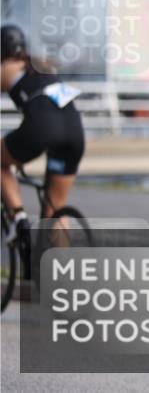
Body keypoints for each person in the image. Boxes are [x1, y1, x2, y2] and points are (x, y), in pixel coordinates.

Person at [1, 24, 85, 243]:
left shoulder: (5, 66)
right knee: (55, 209)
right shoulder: (40, 67)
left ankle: (18, 219)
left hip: (41, 129)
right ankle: (59, 272)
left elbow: (39, 121)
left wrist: (15, 149)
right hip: (75, 131)